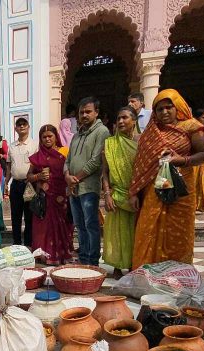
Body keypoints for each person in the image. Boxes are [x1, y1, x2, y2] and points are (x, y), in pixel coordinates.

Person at [130, 90, 204, 269]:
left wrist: (182, 160)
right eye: (159, 109)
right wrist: (135, 192)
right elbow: (140, 164)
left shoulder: (191, 127)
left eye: (169, 108)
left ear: (178, 108)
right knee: (148, 228)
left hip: (181, 190)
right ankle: (147, 272)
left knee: (177, 232)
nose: (164, 112)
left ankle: (176, 274)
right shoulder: (151, 133)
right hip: (154, 188)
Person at [66, 97, 111, 266]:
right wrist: (67, 176)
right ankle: (83, 257)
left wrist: (75, 178)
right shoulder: (76, 135)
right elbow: (68, 160)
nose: (84, 115)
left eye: (88, 112)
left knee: (90, 224)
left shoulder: (102, 132)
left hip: (89, 187)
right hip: (74, 187)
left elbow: (96, 161)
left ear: (96, 113)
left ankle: (92, 261)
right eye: (81, 112)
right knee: (79, 225)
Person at [100, 107, 140, 277]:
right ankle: (117, 266)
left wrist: (136, 193)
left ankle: (133, 264)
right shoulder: (110, 144)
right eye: (118, 118)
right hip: (116, 195)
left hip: (137, 196)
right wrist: (107, 194)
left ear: (134, 121)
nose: (121, 121)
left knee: (135, 232)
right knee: (116, 233)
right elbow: (105, 172)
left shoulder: (142, 142)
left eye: (125, 118)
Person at [27, 125, 73, 265]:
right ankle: (44, 255)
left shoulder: (65, 152)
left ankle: (62, 254)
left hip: (61, 196)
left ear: (56, 137)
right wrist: (38, 176)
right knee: (43, 227)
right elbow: (29, 176)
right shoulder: (37, 156)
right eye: (44, 137)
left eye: (50, 136)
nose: (47, 139)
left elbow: (70, 170)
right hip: (45, 197)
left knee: (64, 225)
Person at [8, 117, 37, 247]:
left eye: (24, 124)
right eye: (19, 125)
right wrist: (5, 183)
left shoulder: (35, 144)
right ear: (15, 128)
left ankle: (28, 243)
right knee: (15, 215)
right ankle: (17, 243)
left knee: (29, 215)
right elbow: (9, 167)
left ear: (28, 127)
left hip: (30, 184)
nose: (21, 127)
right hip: (15, 184)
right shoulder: (12, 146)